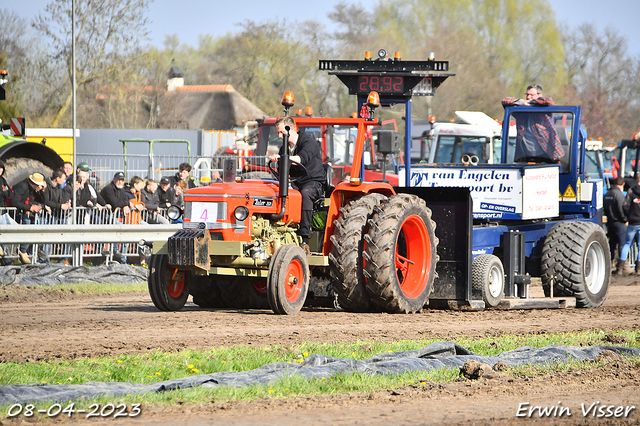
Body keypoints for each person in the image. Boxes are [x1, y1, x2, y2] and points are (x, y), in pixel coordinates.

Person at [268, 116, 325, 255]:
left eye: (281, 132)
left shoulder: (308, 142)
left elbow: (301, 159)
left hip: (314, 182)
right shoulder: (284, 148)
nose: (280, 136)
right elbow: (283, 171)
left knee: (305, 195)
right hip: (296, 182)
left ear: (291, 129)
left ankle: (304, 239)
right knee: (276, 191)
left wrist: (283, 158)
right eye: (278, 133)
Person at [502, 84, 564, 164]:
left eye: (531, 95)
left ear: (539, 95)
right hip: (525, 156)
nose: (528, 97)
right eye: (527, 95)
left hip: (547, 155)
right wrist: (522, 102)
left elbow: (549, 101)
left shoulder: (544, 111)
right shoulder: (520, 113)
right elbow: (505, 101)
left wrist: (532, 102)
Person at [12, 172, 47, 264]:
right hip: (14, 213)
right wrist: (30, 208)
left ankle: (30, 250)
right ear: (35, 184)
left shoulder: (31, 188)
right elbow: (15, 202)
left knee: (35, 223)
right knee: (27, 223)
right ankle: (23, 250)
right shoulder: (22, 186)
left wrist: (40, 193)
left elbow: (34, 200)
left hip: (23, 212)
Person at [43, 169, 72, 264]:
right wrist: (61, 206)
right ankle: (44, 260)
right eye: (63, 179)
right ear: (57, 178)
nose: (64, 181)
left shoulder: (59, 188)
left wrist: (66, 203)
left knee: (67, 235)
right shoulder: (46, 186)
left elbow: (59, 200)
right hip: (49, 216)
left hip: (59, 215)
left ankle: (63, 259)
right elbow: (47, 202)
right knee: (48, 238)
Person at [604, 176, 628, 274]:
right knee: (623, 244)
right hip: (619, 223)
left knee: (612, 245)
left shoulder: (607, 194)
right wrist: (625, 219)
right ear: (623, 184)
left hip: (610, 223)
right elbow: (621, 209)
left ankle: (610, 264)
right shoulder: (619, 195)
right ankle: (622, 266)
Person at [620, 174, 640, 275]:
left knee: (627, 243)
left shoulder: (631, 190)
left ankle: (620, 267)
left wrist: (629, 215)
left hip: (632, 222)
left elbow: (625, 205)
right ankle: (638, 269)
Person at [0, 160, 12, 265]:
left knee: (5, 235)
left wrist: (5, 192)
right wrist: (3, 191)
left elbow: (9, 194)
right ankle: (6, 261)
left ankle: (6, 260)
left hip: (3, 212)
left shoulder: (3, 180)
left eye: (1, 168)